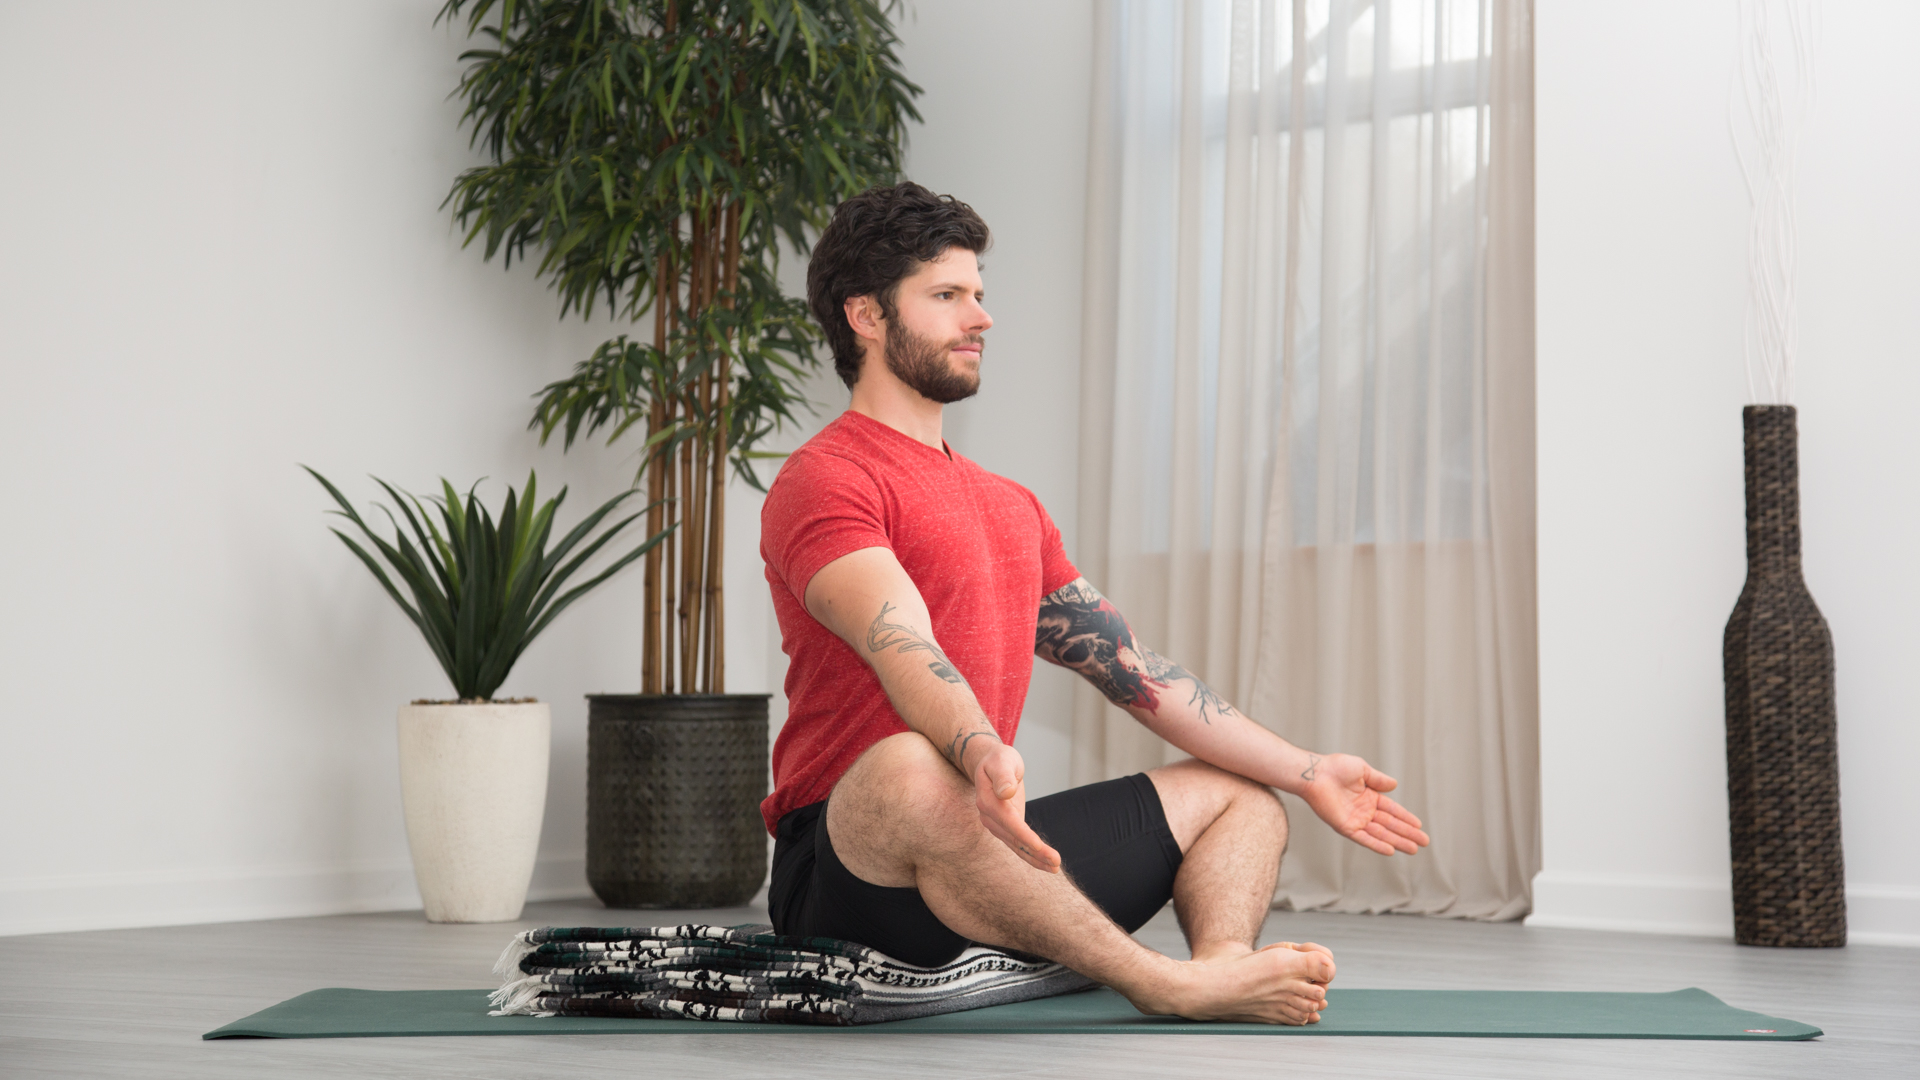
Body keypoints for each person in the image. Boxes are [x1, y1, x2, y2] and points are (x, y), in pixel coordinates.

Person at [758, 182, 1430, 1025]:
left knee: (1245, 796)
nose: (981, 318)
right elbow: (902, 644)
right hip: (853, 873)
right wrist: (976, 749)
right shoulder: (827, 478)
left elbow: (1138, 673)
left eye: (978, 294)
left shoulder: (1011, 506)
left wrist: (1308, 770)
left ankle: (1221, 966)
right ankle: (1160, 981)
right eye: (947, 296)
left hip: (980, 837)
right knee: (905, 764)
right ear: (865, 316)